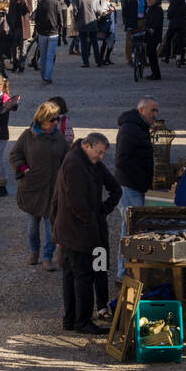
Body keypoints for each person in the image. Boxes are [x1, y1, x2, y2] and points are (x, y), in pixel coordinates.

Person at [52, 132, 121, 333]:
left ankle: (72, 319)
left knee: (73, 274)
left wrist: (101, 211)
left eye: (103, 154)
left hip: (71, 229)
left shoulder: (87, 162)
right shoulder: (75, 164)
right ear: (87, 146)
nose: (101, 157)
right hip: (77, 230)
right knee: (82, 275)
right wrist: (95, 218)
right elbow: (76, 203)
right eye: (99, 152)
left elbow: (115, 188)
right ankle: (81, 321)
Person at [8, 101, 68, 272]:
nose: (56, 122)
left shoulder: (59, 138)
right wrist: (24, 169)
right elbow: (15, 155)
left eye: (58, 119)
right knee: (33, 226)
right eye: (53, 119)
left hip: (53, 190)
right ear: (44, 119)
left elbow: (67, 158)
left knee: (52, 228)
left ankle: (47, 257)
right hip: (33, 188)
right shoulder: (28, 136)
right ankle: (34, 251)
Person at [114, 97, 157, 280]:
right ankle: (125, 272)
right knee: (132, 229)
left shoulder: (137, 126)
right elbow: (122, 160)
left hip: (134, 185)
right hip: (130, 186)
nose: (155, 115)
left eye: (156, 111)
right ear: (141, 110)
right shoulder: (130, 129)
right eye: (152, 111)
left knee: (130, 228)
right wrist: (139, 177)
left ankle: (127, 272)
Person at [33, 0, 62, 83]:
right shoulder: (56, 3)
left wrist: (38, 28)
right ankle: (47, 76)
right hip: (53, 32)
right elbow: (59, 17)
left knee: (43, 55)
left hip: (42, 32)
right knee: (50, 56)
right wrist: (60, 29)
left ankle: (43, 74)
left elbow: (36, 18)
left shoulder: (41, 3)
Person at [75, 0, 103, 68]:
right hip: (92, 22)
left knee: (83, 43)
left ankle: (86, 62)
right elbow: (99, 11)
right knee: (95, 42)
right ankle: (98, 60)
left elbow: (75, 11)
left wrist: (76, 19)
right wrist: (97, 18)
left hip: (82, 23)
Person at [162, 0, 186, 67]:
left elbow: (169, 14)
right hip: (182, 25)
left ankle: (167, 57)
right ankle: (179, 58)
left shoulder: (173, 2)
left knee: (168, 39)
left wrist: (170, 17)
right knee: (180, 41)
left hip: (173, 24)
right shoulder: (184, 3)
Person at [7, 0, 33, 73]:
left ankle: (22, 64)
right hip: (14, 28)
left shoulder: (28, 1)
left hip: (24, 28)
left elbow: (29, 10)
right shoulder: (12, 1)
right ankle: (15, 64)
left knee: (23, 49)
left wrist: (25, 1)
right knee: (13, 48)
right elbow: (10, 14)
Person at [144, 0, 164, 80]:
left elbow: (157, 22)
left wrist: (152, 29)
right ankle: (154, 73)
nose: (148, 1)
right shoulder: (151, 8)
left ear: (155, 0)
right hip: (149, 34)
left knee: (152, 54)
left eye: (150, 0)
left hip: (154, 35)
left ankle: (156, 74)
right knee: (150, 54)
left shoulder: (157, 9)